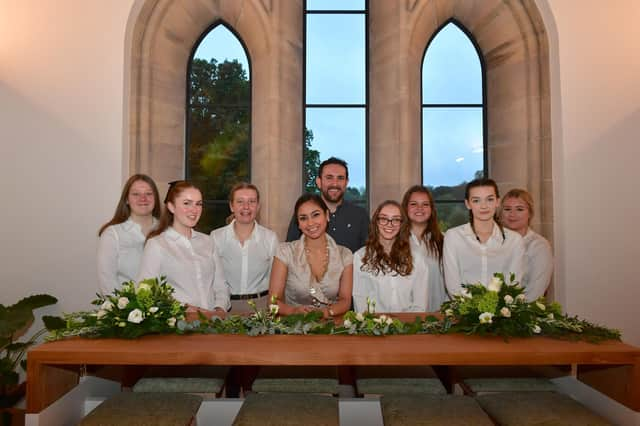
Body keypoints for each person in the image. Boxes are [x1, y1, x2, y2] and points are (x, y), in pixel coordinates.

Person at [138, 181, 230, 318]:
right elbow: (145, 292)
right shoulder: (157, 244)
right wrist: (185, 308)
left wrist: (220, 310)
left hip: (213, 325)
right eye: (187, 203)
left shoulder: (208, 241)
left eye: (198, 204)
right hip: (178, 325)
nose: (194, 209)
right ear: (171, 207)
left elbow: (221, 285)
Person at [270, 193, 353, 318]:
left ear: (327, 215)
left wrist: (325, 312)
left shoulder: (345, 255)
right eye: (303, 218)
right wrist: (294, 312)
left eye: (316, 215)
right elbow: (273, 302)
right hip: (292, 327)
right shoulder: (284, 252)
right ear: (298, 223)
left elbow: (345, 301)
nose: (310, 223)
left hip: (331, 327)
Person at [353, 200, 445, 312]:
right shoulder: (360, 257)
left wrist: (409, 326)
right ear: (376, 222)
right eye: (383, 218)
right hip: (373, 326)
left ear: (402, 224)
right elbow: (360, 299)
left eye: (396, 220)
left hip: (409, 325)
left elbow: (420, 304)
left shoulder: (417, 259)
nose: (389, 224)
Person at [443, 178, 526, 297]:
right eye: (476, 200)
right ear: (468, 204)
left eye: (490, 199)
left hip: (502, 313)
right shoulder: (453, 237)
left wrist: (494, 309)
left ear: (498, 201)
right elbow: (453, 285)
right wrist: (475, 310)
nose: (484, 206)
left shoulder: (514, 240)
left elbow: (513, 284)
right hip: (461, 312)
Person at [210, 183, 278, 313]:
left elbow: (275, 281)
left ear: (258, 206)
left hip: (261, 308)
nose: (246, 207)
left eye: (252, 201)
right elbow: (213, 279)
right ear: (231, 206)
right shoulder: (216, 237)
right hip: (225, 308)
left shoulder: (270, 238)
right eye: (240, 201)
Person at [286, 157, 369, 252]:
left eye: (340, 178)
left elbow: (368, 256)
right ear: (318, 182)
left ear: (346, 182)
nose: (335, 183)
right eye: (329, 178)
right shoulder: (304, 215)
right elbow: (290, 251)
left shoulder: (360, 215)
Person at [97, 174, 161, 295]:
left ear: (155, 198)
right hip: (124, 310)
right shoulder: (112, 234)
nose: (143, 198)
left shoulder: (166, 231)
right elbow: (107, 280)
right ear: (126, 199)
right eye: (136, 194)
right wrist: (124, 310)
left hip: (163, 310)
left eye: (148, 194)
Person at [500, 188, 553, 300]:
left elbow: (536, 290)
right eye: (507, 209)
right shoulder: (493, 243)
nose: (512, 214)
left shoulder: (539, 246)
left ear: (530, 213)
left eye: (519, 209)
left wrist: (508, 312)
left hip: (523, 312)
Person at [401, 185, 447, 309]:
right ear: (405, 208)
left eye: (425, 204)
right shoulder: (396, 242)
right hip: (406, 316)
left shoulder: (444, 241)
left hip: (439, 313)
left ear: (432, 209)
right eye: (413, 204)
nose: (419, 208)